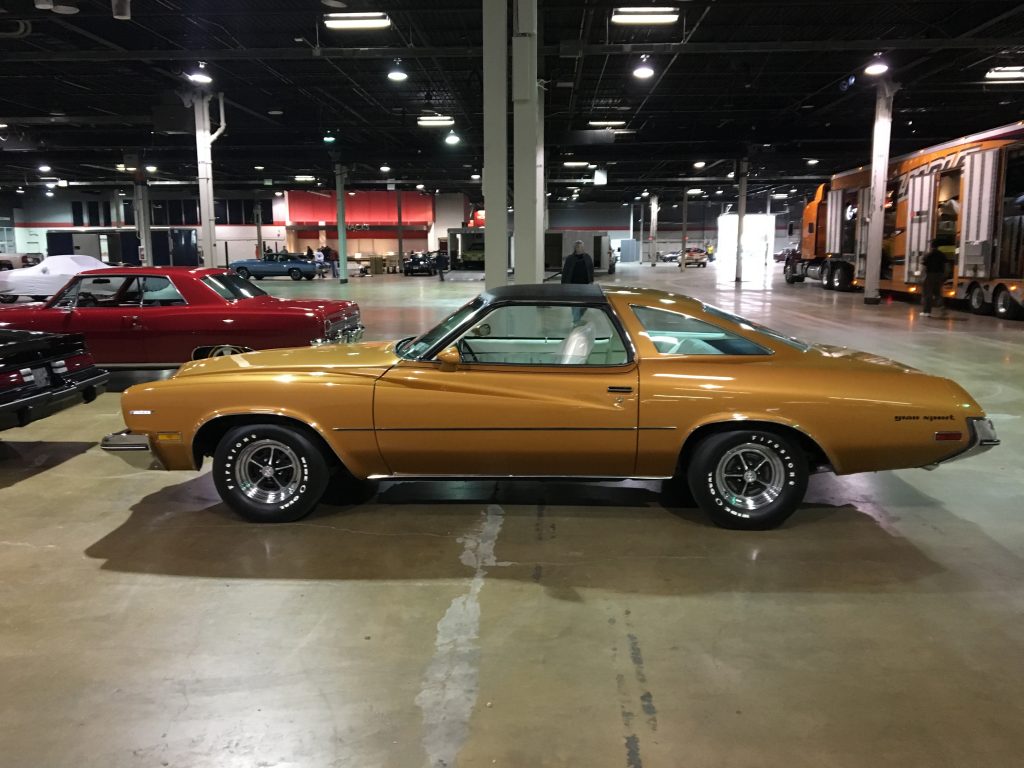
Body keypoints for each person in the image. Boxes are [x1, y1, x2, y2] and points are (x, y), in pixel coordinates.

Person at [921, 239, 947, 317]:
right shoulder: (942, 255)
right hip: (939, 275)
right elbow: (946, 266)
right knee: (938, 293)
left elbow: (924, 267)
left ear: (931, 246)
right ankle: (942, 308)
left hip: (930, 275)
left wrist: (922, 277)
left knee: (927, 294)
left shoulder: (928, 255)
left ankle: (927, 312)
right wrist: (944, 275)